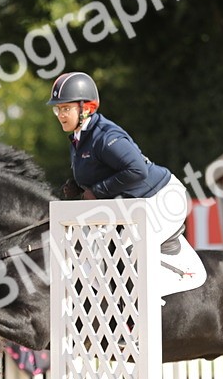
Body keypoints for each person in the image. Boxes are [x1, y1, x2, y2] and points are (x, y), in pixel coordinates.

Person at [47, 71, 197, 288]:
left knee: (126, 255)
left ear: (86, 107)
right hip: (136, 205)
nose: (61, 115)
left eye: (66, 108)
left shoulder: (106, 136)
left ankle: (171, 291)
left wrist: (97, 191)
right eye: (58, 109)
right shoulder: (79, 138)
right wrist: (78, 186)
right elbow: (102, 170)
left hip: (162, 198)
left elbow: (137, 170)